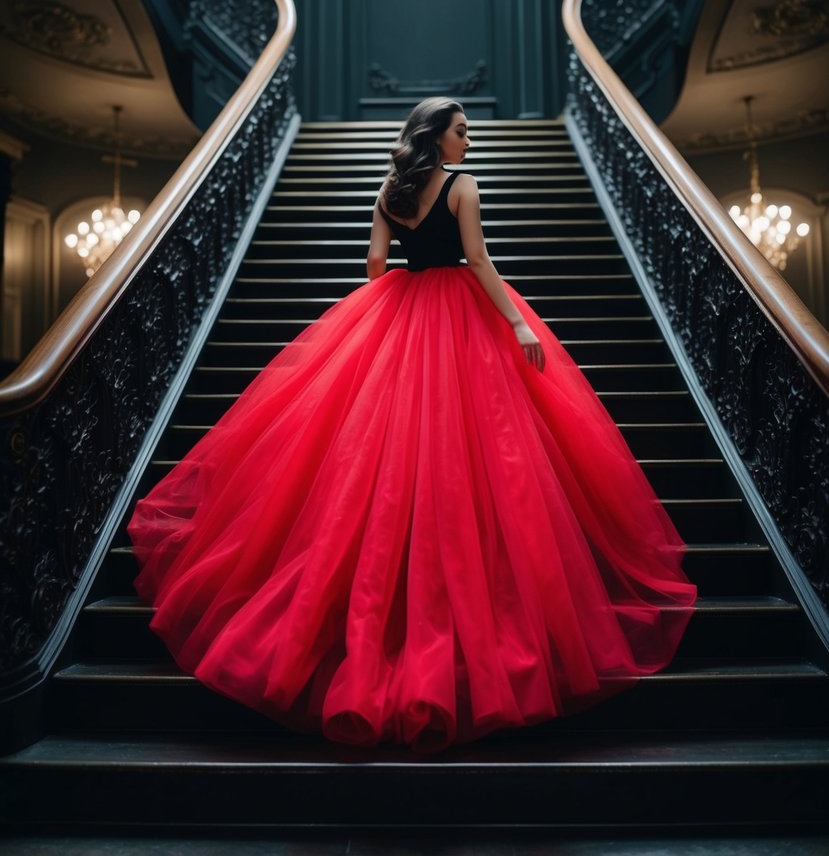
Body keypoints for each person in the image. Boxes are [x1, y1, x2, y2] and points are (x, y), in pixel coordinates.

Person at [128, 96, 696, 753]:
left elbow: (374, 266)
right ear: (436, 135)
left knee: (374, 463)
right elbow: (478, 260)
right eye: (460, 131)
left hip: (399, 312)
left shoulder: (390, 189)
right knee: (483, 461)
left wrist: (385, 313)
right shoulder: (461, 186)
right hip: (462, 316)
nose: (467, 141)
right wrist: (514, 322)